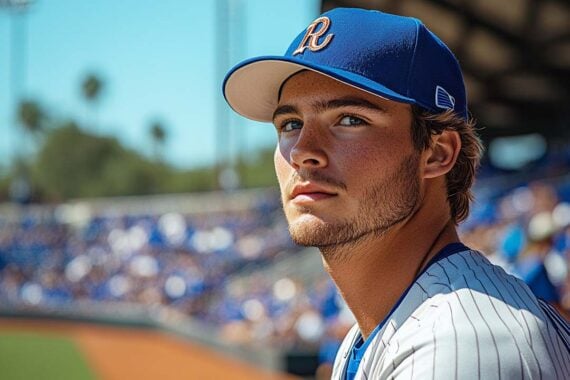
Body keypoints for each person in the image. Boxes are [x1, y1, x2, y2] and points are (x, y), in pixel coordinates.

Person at [223, 7, 570, 379]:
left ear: (437, 153)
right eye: (290, 123)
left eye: (350, 119)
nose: (303, 150)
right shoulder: (392, 325)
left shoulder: (461, 347)